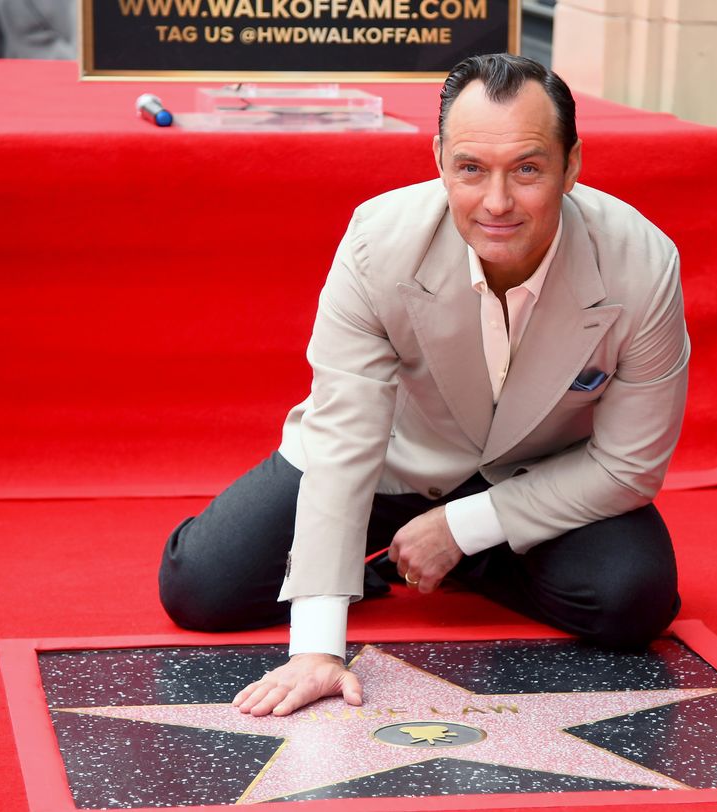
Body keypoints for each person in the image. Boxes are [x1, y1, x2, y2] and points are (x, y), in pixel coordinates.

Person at [159, 53, 689, 719]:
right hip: (391, 461)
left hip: (533, 476)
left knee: (633, 600)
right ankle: (392, 558)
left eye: (527, 169)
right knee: (202, 587)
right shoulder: (377, 243)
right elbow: (345, 433)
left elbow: (630, 464)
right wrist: (318, 648)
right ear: (439, 159)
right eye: (471, 169)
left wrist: (464, 528)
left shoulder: (643, 264)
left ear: (571, 164)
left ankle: (469, 556)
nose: (497, 202)